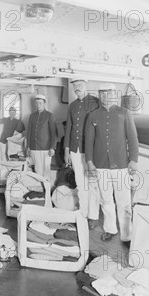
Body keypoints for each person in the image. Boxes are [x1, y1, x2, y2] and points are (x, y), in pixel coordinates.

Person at [85, 84, 139, 244]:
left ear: (114, 94)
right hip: (100, 164)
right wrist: (89, 162)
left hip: (121, 165)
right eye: (102, 93)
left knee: (124, 202)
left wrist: (134, 160)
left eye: (108, 93)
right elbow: (89, 142)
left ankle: (127, 234)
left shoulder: (124, 113)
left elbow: (133, 139)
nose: (105, 96)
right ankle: (110, 229)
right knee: (105, 199)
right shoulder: (93, 116)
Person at [64, 82, 100, 225]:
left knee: (92, 184)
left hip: (90, 149)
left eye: (79, 85)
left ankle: (93, 216)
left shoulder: (94, 102)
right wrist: (66, 149)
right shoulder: (72, 106)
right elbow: (69, 128)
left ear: (85, 86)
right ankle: (83, 213)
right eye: (74, 85)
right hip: (75, 149)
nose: (77, 88)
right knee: (80, 183)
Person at [26, 94, 58, 182]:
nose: (38, 105)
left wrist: (52, 147)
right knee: (37, 171)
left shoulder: (49, 115)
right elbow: (29, 132)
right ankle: (40, 192)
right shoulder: (32, 116)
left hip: (46, 149)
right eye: (36, 103)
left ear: (44, 103)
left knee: (46, 172)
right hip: (34, 148)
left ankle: (47, 192)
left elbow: (54, 133)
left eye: (40, 103)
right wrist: (28, 147)